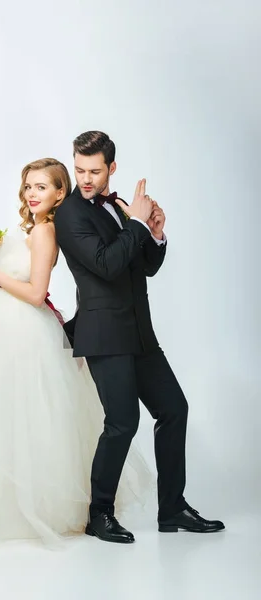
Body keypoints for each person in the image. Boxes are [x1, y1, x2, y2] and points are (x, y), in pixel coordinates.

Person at [0, 158, 152, 558]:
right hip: (9, 334)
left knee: (27, 418)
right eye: (28, 186)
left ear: (60, 192)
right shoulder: (34, 230)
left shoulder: (46, 232)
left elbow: (37, 293)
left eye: (42, 187)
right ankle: (10, 502)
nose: (32, 194)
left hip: (25, 334)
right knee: (5, 420)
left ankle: (34, 507)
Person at [54, 131, 225, 544]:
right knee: (122, 423)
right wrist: (134, 223)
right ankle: (100, 514)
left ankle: (173, 509)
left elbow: (143, 267)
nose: (86, 178)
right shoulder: (70, 215)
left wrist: (153, 231)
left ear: (112, 167)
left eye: (94, 170)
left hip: (139, 331)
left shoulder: (119, 207)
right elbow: (106, 265)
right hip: (103, 334)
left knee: (174, 409)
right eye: (79, 169)